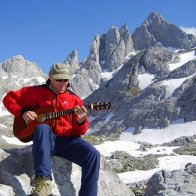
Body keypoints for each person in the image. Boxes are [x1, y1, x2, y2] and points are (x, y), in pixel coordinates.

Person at [3, 63, 100, 196]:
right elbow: (9, 98)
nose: (63, 83)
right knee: (42, 128)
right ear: (50, 77)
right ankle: (43, 183)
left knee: (93, 154)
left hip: (69, 142)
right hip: (46, 140)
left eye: (65, 80)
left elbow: (80, 131)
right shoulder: (33, 92)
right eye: (59, 80)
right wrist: (23, 112)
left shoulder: (74, 99)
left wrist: (81, 121)